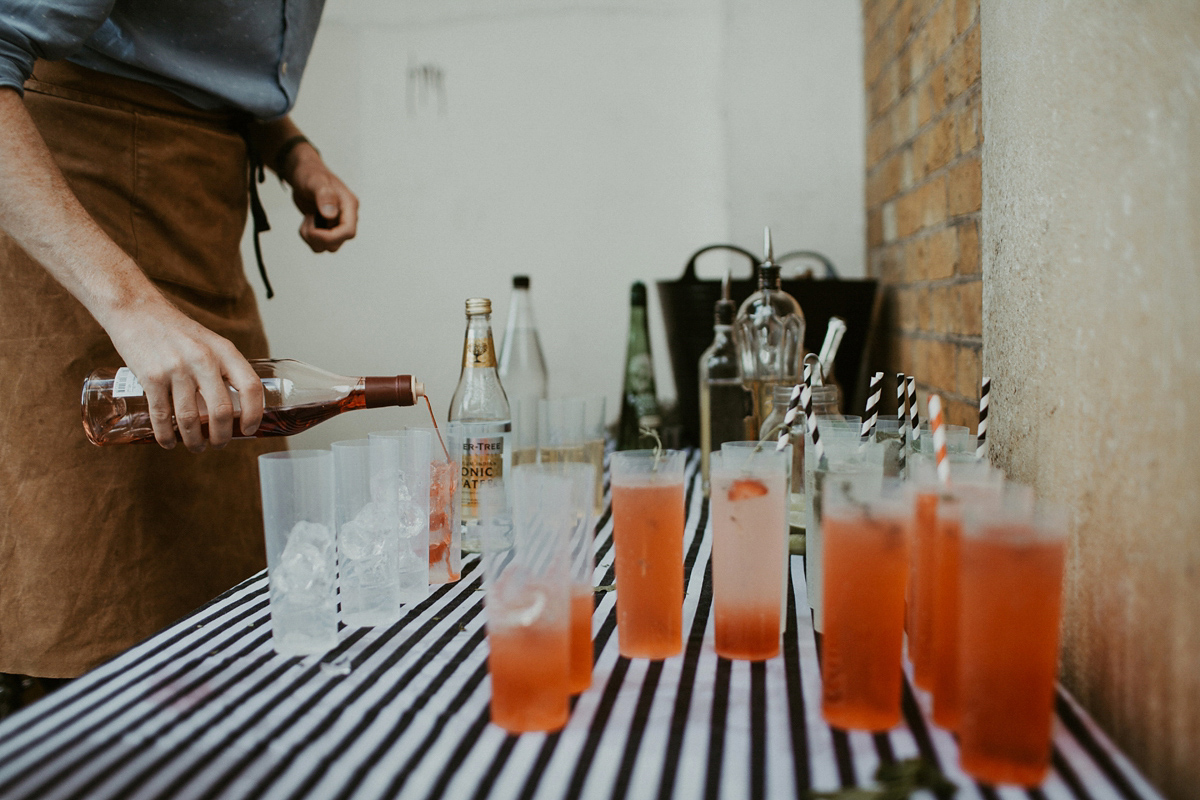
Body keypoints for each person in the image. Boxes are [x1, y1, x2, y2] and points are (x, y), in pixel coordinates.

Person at [0, 1, 357, 691]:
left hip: (202, 222)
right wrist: (131, 308)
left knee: (236, 613)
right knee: (89, 620)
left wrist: (291, 153)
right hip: (81, 240)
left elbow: (183, 52)